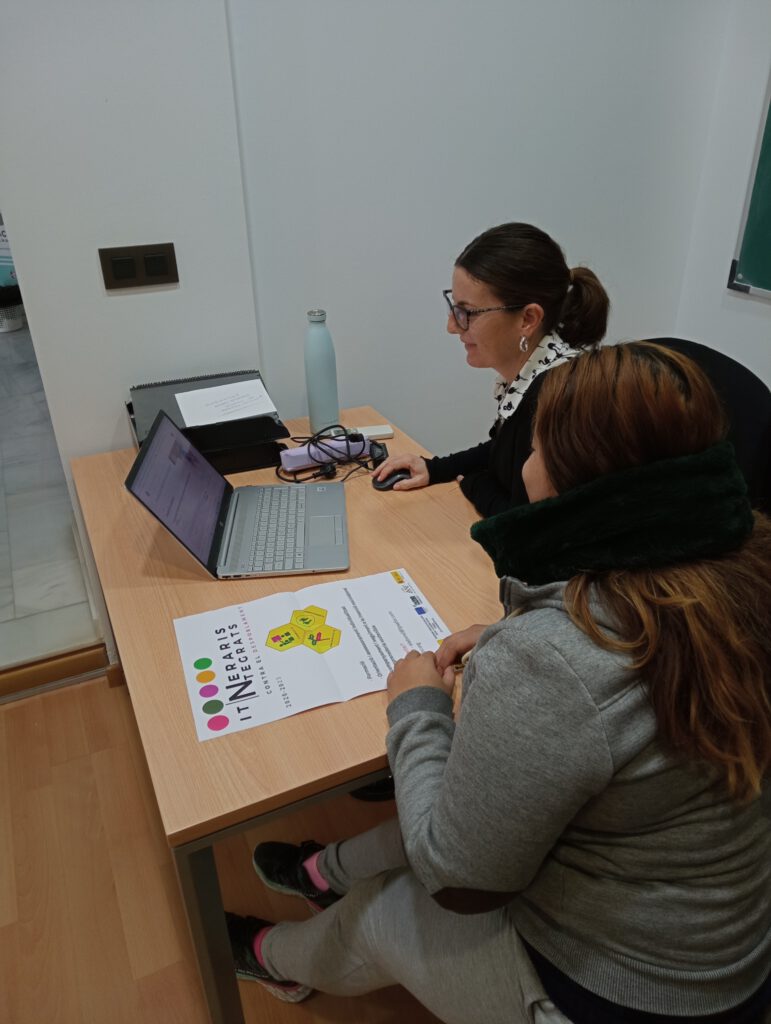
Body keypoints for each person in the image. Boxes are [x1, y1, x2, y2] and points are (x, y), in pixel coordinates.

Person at [226, 342, 771, 1022]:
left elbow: (458, 881)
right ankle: (320, 874)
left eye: (536, 448)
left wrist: (416, 705)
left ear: (580, 481)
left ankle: (269, 957)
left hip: (623, 997)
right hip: (726, 955)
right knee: (474, 791)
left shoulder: (555, 661)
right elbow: (621, 678)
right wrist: (533, 650)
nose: (522, 464)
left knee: (383, 912)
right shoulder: (739, 569)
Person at [372, 221, 611, 516]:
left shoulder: (558, 396)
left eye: (467, 313)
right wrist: (435, 469)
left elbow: (520, 521)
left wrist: (471, 482)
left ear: (527, 319)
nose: (451, 326)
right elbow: (504, 451)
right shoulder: (538, 371)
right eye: (453, 307)